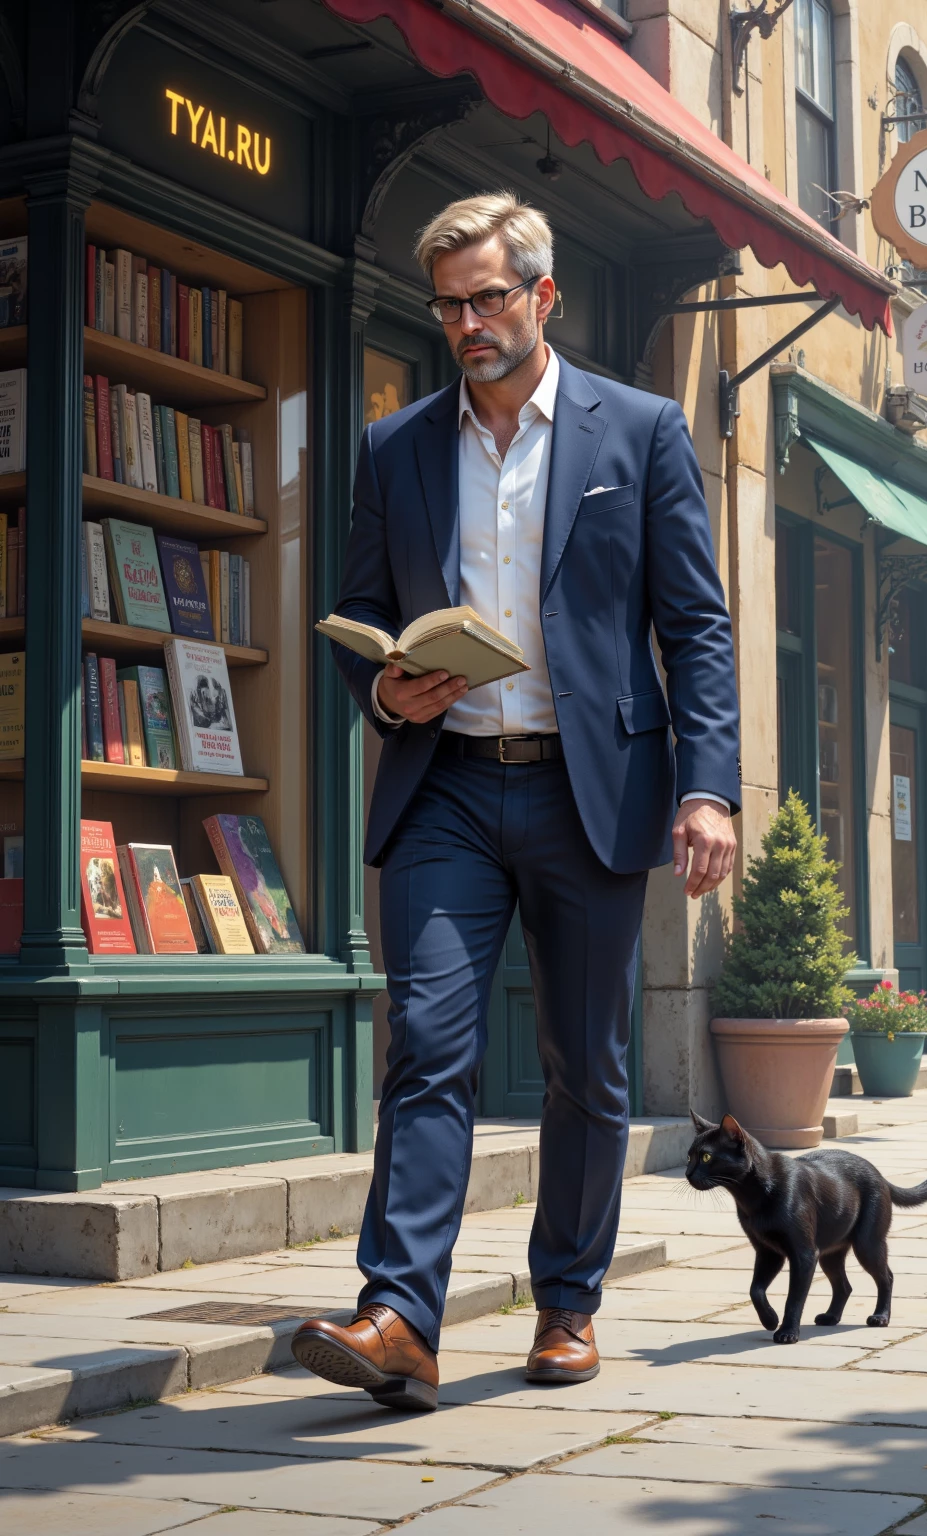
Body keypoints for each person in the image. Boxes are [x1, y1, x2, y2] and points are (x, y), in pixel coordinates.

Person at [292, 192, 740, 1412]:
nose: (467, 323)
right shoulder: (396, 448)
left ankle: (567, 1303)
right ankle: (400, 1319)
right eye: (448, 304)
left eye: (488, 297)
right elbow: (356, 617)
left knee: (582, 1067)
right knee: (426, 1045)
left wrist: (707, 787)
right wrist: (389, 689)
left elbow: (694, 626)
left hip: (585, 792)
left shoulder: (638, 432)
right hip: (441, 789)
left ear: (543, 296)